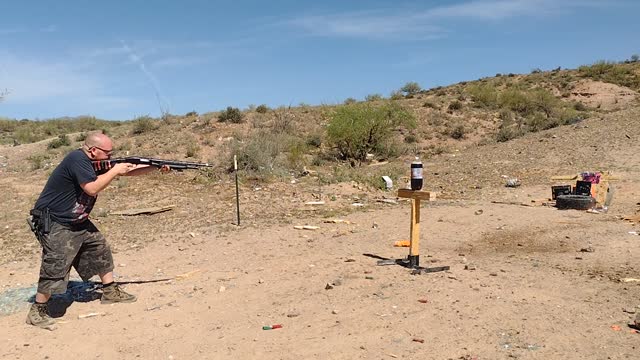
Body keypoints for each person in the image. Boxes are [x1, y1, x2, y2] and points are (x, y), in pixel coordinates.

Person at [26, 132, 169, 330]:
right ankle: (37, 311)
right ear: (93, 151)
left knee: (99, 248)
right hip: (56, 221)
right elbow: (92, 188)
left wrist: (155, 167)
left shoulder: (94, 161)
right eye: (107, 153)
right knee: (56, 265)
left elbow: (127, 171)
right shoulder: (77, 159)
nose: (110, 158)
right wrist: (115, 171)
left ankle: (110, 291)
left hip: (77, 220)